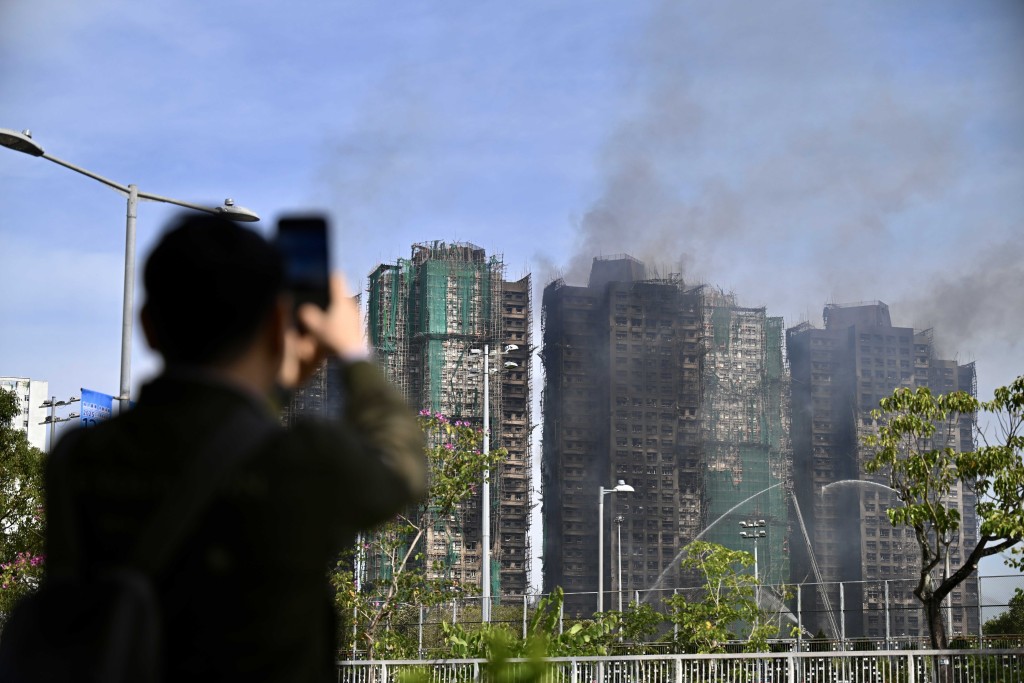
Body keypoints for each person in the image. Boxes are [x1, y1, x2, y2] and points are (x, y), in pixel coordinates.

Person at [44, 214, 426, 681]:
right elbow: (402, 468)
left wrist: (277, 382)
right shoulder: (302, 459)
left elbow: (214, 435)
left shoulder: (80, 457)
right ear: (273, 326)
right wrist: (353, 354)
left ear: (147, 327)